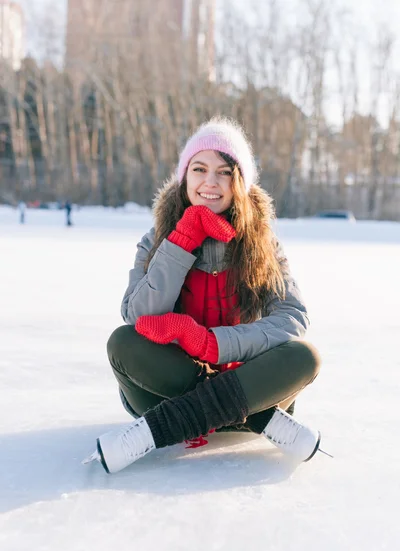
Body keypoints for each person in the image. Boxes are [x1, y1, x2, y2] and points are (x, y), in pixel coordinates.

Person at [84, 117, 323, 474]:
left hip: (248, 380)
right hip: (177, 384)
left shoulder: (262, 243)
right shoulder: (156, 239)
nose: (210, 182)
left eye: (224, 172)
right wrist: (181, 242)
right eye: (199, 169)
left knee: (305, 357)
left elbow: (291, 317)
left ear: (239, 182)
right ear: (185, 177)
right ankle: (259, 420)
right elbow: (137, 316)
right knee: (123, 343)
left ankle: (162, 427)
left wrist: (212, 344)